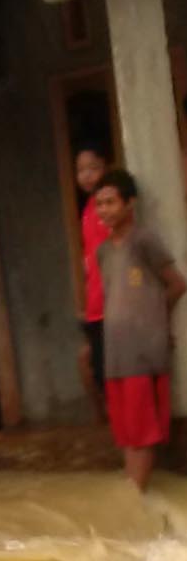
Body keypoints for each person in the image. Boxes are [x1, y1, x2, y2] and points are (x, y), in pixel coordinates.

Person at [93, 170, 185, 492]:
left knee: (143, 432)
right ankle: (133, 498)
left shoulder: (144, 240)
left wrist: (156, 322)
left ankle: (134, 499)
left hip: (143, 352)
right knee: (127, 432)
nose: (104, 210)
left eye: (111, 202)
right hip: (116, 355)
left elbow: (176, 284)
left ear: (129, 203)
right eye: (99, 204)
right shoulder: (103, 252)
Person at [73, 143, 112, 420]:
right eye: (81, 170)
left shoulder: (106, 207)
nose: (86, 175)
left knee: (108, 372)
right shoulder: (88, 209)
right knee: (94, 366)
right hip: (95, 303)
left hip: (112, 303)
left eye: (93, 168)